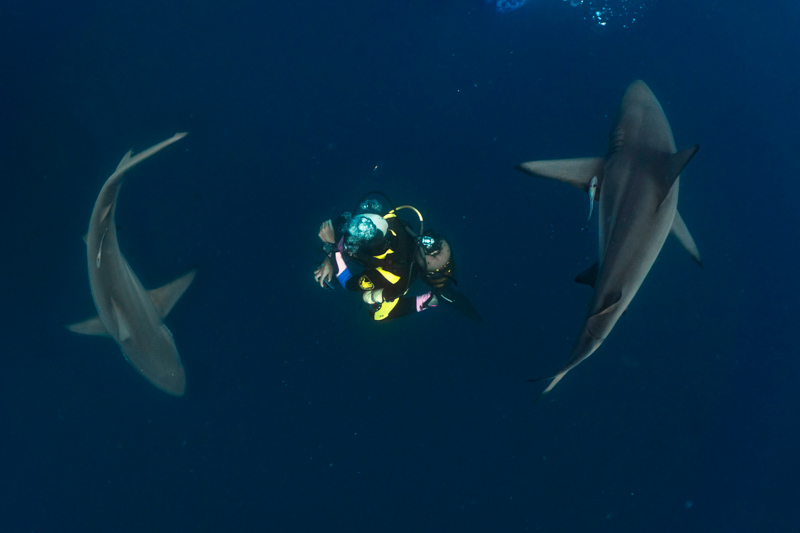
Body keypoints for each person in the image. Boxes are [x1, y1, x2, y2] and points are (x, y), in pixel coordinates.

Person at [314, 197, 481, 322]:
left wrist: (333, 250)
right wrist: (331, 256)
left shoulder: (395, 275)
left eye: (432, 253)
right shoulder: (401, 227)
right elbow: (351, 222)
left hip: (391, 280)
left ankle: (431, 300)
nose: (428, 246)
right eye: (432, 242)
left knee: (378, 316)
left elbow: (349, 283)